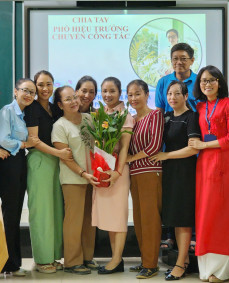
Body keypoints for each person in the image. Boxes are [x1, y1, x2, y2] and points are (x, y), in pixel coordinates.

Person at [188, 66, 229, 283]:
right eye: (203, 81)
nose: (207, 84)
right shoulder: (199, 106)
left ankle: (220, 271)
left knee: (222, 212)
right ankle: (205, 269)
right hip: (204, 163)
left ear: (220, 82)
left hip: (225, 159)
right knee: (205, 212)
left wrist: (203, 145)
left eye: (211, 80)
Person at [150, 81, 201, 281]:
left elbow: (193, 148)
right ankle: (183, 260)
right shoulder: (167, 117)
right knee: (175, 218)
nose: (172, 97)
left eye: (177, 94)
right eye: (169, 94)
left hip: (184, 172)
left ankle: (181, 263)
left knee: (183, 219)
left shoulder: (192, 117)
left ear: (186, 96)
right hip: (169, 172)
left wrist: (167, 155)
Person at [24, 70, 73, 273]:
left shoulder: (55, 108)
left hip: (57, 162)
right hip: (40, 161)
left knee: (56, 210)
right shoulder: (32, 108)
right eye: (41, 85)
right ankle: (42, 259)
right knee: (42, 212)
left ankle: (53, 256)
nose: (45, 89)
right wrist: (59, 152)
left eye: (49, 84)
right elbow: (34, 141)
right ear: (35, 87)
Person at [51, 86, 100, 275]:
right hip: (73, 179)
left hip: (93, 177)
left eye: (74, 97)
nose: (73, 101)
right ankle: (72, 261)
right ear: (60, 104)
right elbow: (65, 157)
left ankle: (87, 258)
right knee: (74, 220)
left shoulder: (88, 119)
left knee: (89, 220)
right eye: (68, 99)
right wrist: (82, 173)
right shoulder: (59, 126)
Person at [91, 77, 134, 275]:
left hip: (118, 171)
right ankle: (114, 258)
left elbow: (124, 147)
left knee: (118, 215)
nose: (108, 95)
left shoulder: (125, 115)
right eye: (104, 91)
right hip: (103, 169)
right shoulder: (100, 115)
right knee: (109, 216)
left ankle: (117, 259)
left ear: (120, 93)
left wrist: (117, 172)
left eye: (112, 91)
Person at [0, 78, 40, 276]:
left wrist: (26, 146)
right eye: (25, 90)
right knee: (10, 215)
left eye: (32, 92)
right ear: (15, 91)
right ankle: (8, 264)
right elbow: (4, 139)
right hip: (9, 164)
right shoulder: (8, 111)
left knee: (14, 214)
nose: (29, 95)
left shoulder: (25, 113)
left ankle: (12, 263)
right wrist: (26, 144)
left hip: (20, 161)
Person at [126, 79, 164, 279]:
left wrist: (130, 158)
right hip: (134, 174)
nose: (133, 98)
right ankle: (145, 260)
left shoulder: (156, 115)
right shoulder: (131, 120)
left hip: (151, 172)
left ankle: (151, 264)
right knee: (140, 220)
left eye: (137, 93)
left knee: (150, 219)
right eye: (130, 95)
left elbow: (154, 147)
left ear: (147, 94)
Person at [156, 43, 198, 113]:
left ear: (192, 60)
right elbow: (160, 111)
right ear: (171, 60)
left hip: (195, 123)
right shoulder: (163, 82)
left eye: (183, 59)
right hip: (170, 123)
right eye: (175, 59)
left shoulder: (200, 82)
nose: (179, 62)